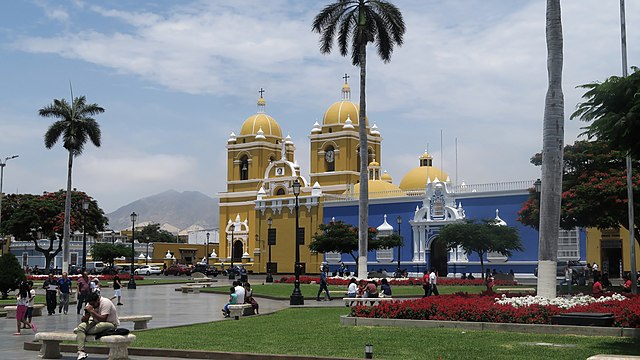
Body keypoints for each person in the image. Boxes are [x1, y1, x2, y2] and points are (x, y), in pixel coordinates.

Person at [74, 292, 119, 360]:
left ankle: (80, 331)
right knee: (81, 326)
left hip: (110, 323)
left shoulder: (106, 302)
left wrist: (92, 311)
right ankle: (81, 351)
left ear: (98, 300)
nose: (92, 305)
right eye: (90, 304)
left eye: (93, 304)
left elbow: (103, 319)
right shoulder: (89, 304)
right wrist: (87, 314)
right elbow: (83, 320)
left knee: (98, 326)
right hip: (95, 322)